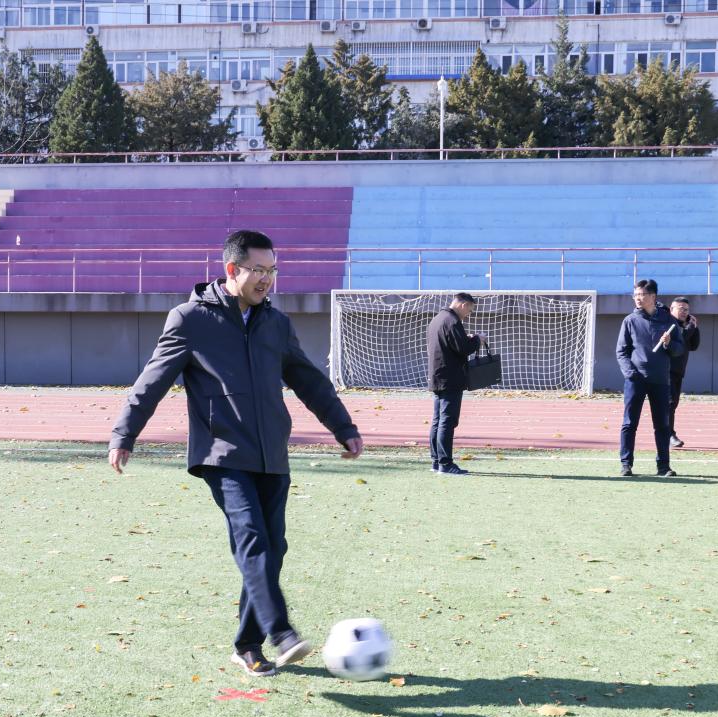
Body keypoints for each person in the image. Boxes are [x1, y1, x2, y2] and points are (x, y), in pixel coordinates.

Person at [108, 230, 363, 678]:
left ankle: (247, 645)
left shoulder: (276, 324)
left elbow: (308, 380)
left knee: (273, 548)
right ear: (232, 269)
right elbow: (152, 381)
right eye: (258, 270)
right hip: (221, 453)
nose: (267, 279)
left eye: (272, 270)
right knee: (253, 540)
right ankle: (281, 632)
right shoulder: (190, 319)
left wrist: (343, 427)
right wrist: (124, 434)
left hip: (271, 454)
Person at [617, 279, 685, 477]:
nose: (638, 298)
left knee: (662, 425)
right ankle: (626, 464)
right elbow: (621, 352)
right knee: (629, 423)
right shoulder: (630, 321)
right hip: (635, 380)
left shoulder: (668, 320)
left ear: (653, 297)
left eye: (642, 295)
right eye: (636, 295)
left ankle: (663, 466)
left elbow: (679, 350)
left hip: (660, 380)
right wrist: (631, 374)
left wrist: (669, 343)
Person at [426, 292, 483, 476]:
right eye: (470, 310)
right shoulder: (452, 321)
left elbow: (451, 344)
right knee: (447, 421)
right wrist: (477, 340)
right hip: (450, 378)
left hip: (438, 376)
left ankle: (436, 461)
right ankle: (445, 463)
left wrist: (466, 338)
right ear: (463, 305)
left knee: (438, 420)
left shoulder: (438, 319)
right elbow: (463, 349)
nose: (468, 314)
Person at [667, 296, 701, 448]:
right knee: (669, 404)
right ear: (671, 309)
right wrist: (690, 328)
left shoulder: (685, 326)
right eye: (681, 309)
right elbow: (679, 340)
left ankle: (666, 433)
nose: (684, 312)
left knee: (672, 404)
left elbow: (694, 346)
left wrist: (695, 327)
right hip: (665, 371)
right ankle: (669, 435)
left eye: (686, 310)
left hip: (678, 372)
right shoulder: (668, 324)